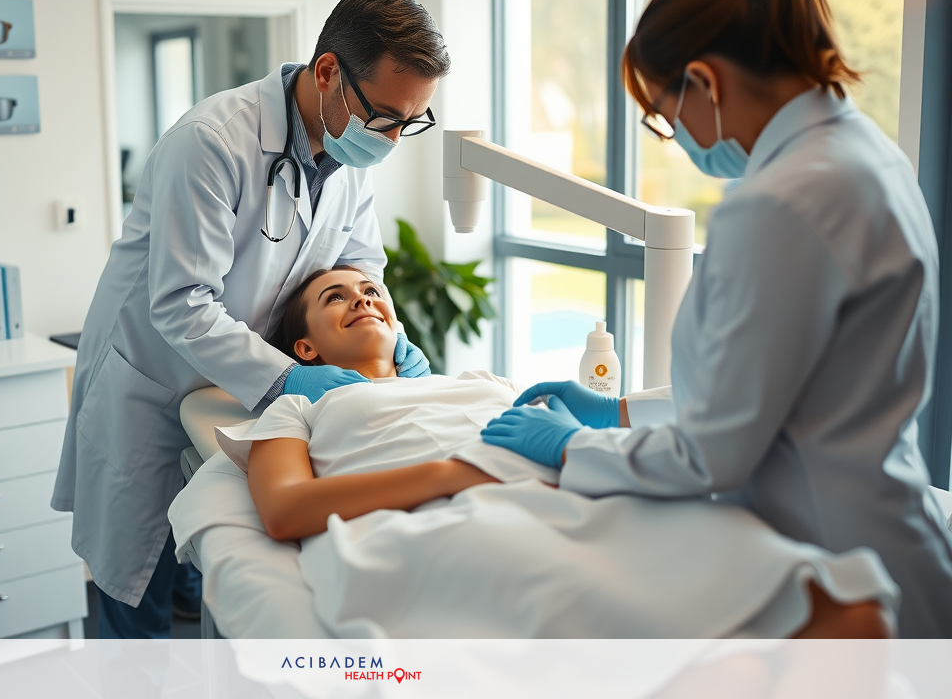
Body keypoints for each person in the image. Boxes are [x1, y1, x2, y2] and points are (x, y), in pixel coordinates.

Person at [481, 0, 952, 637]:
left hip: (837, 566)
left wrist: (575, 445)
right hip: (886, 528)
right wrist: (623, 413)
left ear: (703, 82)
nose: (675, 135)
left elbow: (715, 452)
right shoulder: (869, 156)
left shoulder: (782, 201)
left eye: (664, 116)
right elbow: (794, 387)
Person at [51, 0, 450, 638]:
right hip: (152, 380)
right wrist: (288, 378)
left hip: (233, 386)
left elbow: (361, 266)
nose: (396, 138)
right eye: (386, 118)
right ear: (328, 73)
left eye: (413, 121)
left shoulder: (351, 156)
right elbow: (181, 303)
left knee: (200, 570)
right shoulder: (212, 141)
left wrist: (394, 335)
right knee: (138, 591)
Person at [212, 265, 893, 638]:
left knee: (813, 589)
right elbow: (285, 511)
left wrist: (581, 439)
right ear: (304, 348)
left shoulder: (481, 381)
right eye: (337, 298)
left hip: (561, 488)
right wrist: (457, 472)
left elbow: (575, 434)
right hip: (447, 517)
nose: (364, 300)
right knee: (581, 590)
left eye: (372, 292)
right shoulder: (300, 406)